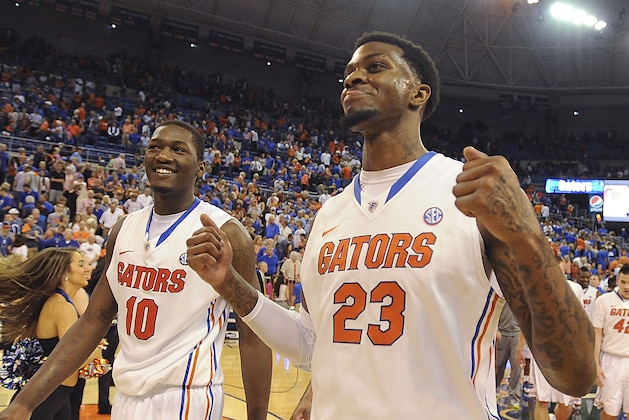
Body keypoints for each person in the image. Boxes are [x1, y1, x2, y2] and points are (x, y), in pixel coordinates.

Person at [185, 31, 595, 419]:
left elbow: (575, 376)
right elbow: (311, 345)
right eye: (348, 74)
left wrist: (527, 234)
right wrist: (229, 285)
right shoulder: (330, 213)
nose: (355, 77)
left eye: (376, 66)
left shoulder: (471, 194)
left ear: (419, 93)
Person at [0, 120, 272, 420]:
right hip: (127, 397)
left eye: (178, 150)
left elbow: (254, 336)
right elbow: (96, 318)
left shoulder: (227, 233)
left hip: (188, 397)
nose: (164, 155)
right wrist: (25, 402)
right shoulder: (123, 229)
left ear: (200, 168)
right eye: (155, 147)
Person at [0, 248, 100, 420]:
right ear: (64, 272)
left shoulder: (61, 301)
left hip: (55, 394)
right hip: (47, 394)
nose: (87, 268)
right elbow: (74, 356)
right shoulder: (61, 305)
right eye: (80, 264)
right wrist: (95, 351)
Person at [592, 264, 629, 420]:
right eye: (623, 282)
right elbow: (597, 336)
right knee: (609, 412)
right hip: (610, 361)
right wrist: (595, 364)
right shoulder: (604, 301)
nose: (627, 286)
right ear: (617, 281)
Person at [495, 303, 522, 408]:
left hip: (517, 334)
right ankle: (495, 387)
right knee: (499, 365)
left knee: (516, 366)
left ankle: (514, 396)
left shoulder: (519, 296)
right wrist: (495, 329)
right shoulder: (500, 293)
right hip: (502, 333)